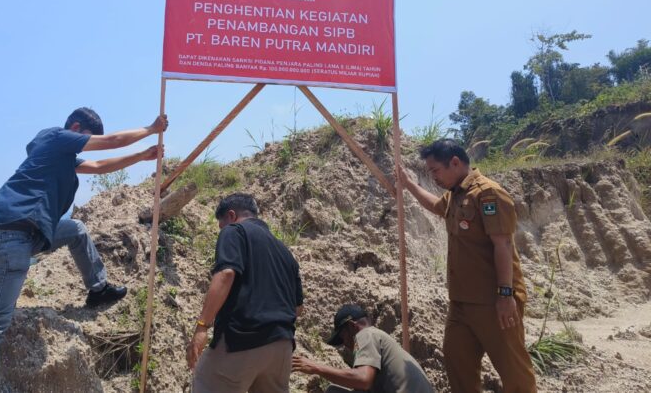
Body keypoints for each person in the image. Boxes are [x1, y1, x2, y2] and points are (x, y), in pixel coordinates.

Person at [0, 107, 167, 393]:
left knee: (76, 229)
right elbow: (109, 142)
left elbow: (98, 167)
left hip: (27, 232)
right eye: (87, 139)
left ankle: (98, 289)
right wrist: (150, 128)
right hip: (10, 235)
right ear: (76, 127)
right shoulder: (57, 137)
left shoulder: (60, 155)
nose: (88, 144)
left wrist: (141, 157)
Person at [398, 139, 536, 393]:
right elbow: (436, 206)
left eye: (435, 171)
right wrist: (409, 185)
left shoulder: (488, 193)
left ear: (455, 162)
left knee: (514, 372)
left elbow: (503, 245)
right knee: (457, 364)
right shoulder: (455, 195)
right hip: (461, 303)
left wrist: (505, 295)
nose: (434, 177)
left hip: (493, 301)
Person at [187, 193, 304, 393]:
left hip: (243, 338)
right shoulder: (285, 253)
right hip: (282, 347)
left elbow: (226, 273)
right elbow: (298, 308)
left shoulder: (234, 231)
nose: (221, 231)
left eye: (221, 225)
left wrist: (202, 326)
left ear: (231, 216)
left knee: (207, 383)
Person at [292, 304, 433, 393]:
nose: (345, 345)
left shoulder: (366, 334)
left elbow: (363, 379)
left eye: (342, 337)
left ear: (352, 326)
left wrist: (316, 367)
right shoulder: (381, 338)